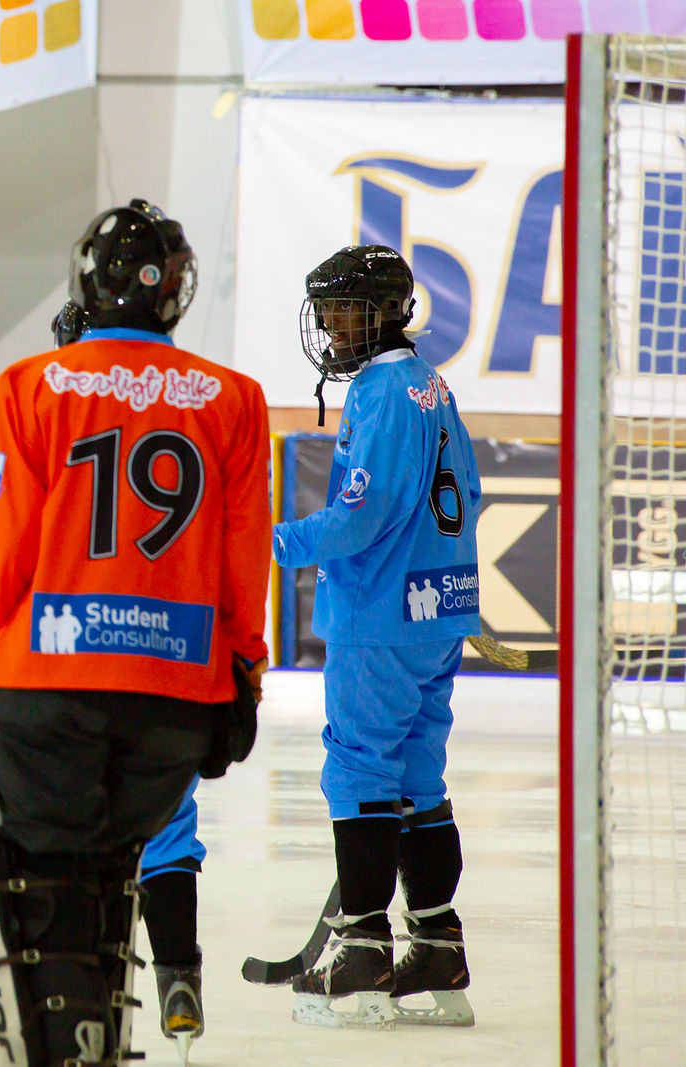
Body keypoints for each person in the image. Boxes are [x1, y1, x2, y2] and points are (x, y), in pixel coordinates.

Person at [0, 202, 272, 1065]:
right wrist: (244, 674)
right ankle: (109, 1018)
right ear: (175, 292)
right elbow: (245, 558)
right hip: (173, 701)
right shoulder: (236, 400)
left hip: (42, 688)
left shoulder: (27, 386)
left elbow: (4, 547)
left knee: (43, 880)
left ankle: (67, 1033)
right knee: (118, 869)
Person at [272, 244, 480, 1030]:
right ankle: (436, 945)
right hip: (436, 611)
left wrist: (277, 541)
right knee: (419, 778)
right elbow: (469, 490)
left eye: (344, 312)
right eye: (326, 313)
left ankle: (361, 947)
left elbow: (361, 514)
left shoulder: (382, 390)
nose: (331, 329)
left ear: (387, 312)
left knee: (360, 768)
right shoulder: (431, 384)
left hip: (380, 617)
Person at [50, 298, 215, 1062]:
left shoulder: (52, 411)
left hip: (77, 649)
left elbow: (3, 541)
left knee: (78, 828)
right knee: (167, 822)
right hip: (171, 648)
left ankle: (89, 1004)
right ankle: (179, 976)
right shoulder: (199, 405)